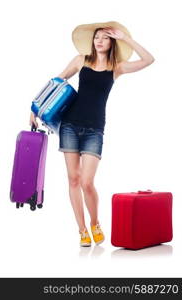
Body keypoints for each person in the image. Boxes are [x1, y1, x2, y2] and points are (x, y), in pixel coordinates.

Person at [29, 21, 155, 247]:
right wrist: (34, 109)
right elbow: (56, 83)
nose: (99, 41)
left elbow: (149, 60)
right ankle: (82, 230)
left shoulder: (117, 67)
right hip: (69, 125)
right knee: (73, 179)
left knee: (87, 182)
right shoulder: (81, 60)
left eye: (105, 38)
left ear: (111, 42)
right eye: (97, 37)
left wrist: (126, 38)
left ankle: (95, 222)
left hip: (95, 129)